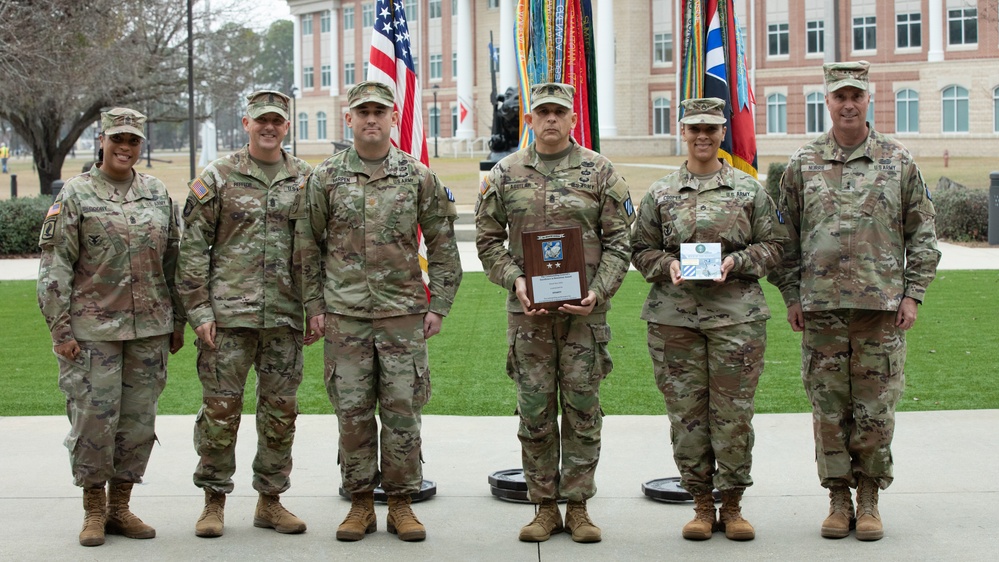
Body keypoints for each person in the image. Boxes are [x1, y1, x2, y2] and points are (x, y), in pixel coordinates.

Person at [768, 61, 941, 541]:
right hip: (821, 310)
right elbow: (785, 239)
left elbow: (923, 234)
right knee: (828, 408)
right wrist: (790, 295)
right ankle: (837, 498)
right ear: (827, 101)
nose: (848, 104)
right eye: (840, 96)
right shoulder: (802, 164)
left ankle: (869, 499)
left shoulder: (898, 160)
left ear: (868, 100)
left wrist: (914, 294)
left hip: (880, 311)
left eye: (856, 96)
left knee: (876, 407)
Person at [297, 81, 462, 543]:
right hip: (344, 317)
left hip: (403, 317)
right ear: (348, 118)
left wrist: (440, 305)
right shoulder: (325, 178)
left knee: (402, 413)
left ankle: (402, 504)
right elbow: (307, 248)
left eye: (380, 111)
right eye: (363, 111)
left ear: (394, 118)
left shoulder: (418, 176)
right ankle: (360, 504)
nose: (371, 119)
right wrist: (314, 306)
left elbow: (444, 246)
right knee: (351, 414)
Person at [475, 82, 634, 544]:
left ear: (572, 120)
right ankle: (544, 506)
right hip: (529, 317)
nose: (550, 119)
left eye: (558, 112)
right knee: (535, 411)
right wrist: (516, 280)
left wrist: (599, 291)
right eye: (541, 112)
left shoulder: (601, 172)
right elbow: (486, 240)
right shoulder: (505, 174)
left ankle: (579, 506)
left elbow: (620, 240)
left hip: (585, 317)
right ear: (529, 119)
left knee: (583, 410)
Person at [631, 98, 786, 542]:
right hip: (674, 320)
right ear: (683, 132)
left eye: (711, 129)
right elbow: (640, 249)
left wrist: (737, 261)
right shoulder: (661, 192)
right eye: (695, 128)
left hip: (736, 319)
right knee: (687, 416)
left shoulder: (748, 189)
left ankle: (733, 505)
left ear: (722, 134)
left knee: (733, 416)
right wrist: (668, 267)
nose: (703, 136)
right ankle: (701, 504)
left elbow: (774, 246)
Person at [37, 107, 185, 547]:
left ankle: (120, 507)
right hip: (92, 332)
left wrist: (177, 321)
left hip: (149, 331)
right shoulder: (77, 195)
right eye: (118, 138)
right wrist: (60, 329)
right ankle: (94, 510)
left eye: (134, 140)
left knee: (138, 424)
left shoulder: (157, 194)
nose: (125, 147)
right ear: (102, 140)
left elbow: (174, 261)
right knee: (93, 422)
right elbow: (54, 266)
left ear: (142, 144)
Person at [177, 90, 313, 538]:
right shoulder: (218, 177)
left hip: (285, 318)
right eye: (261, 121)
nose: (269, 127)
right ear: (246, 123)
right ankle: (213, 501)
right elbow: (192, 249)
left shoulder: (307, 179)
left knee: (280, 413)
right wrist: (198, 311)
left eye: (276, 120)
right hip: (227, 319)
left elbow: (320, 250)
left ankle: (270, 501)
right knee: (220, 412)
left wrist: (316, 308)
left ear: (286, 125)